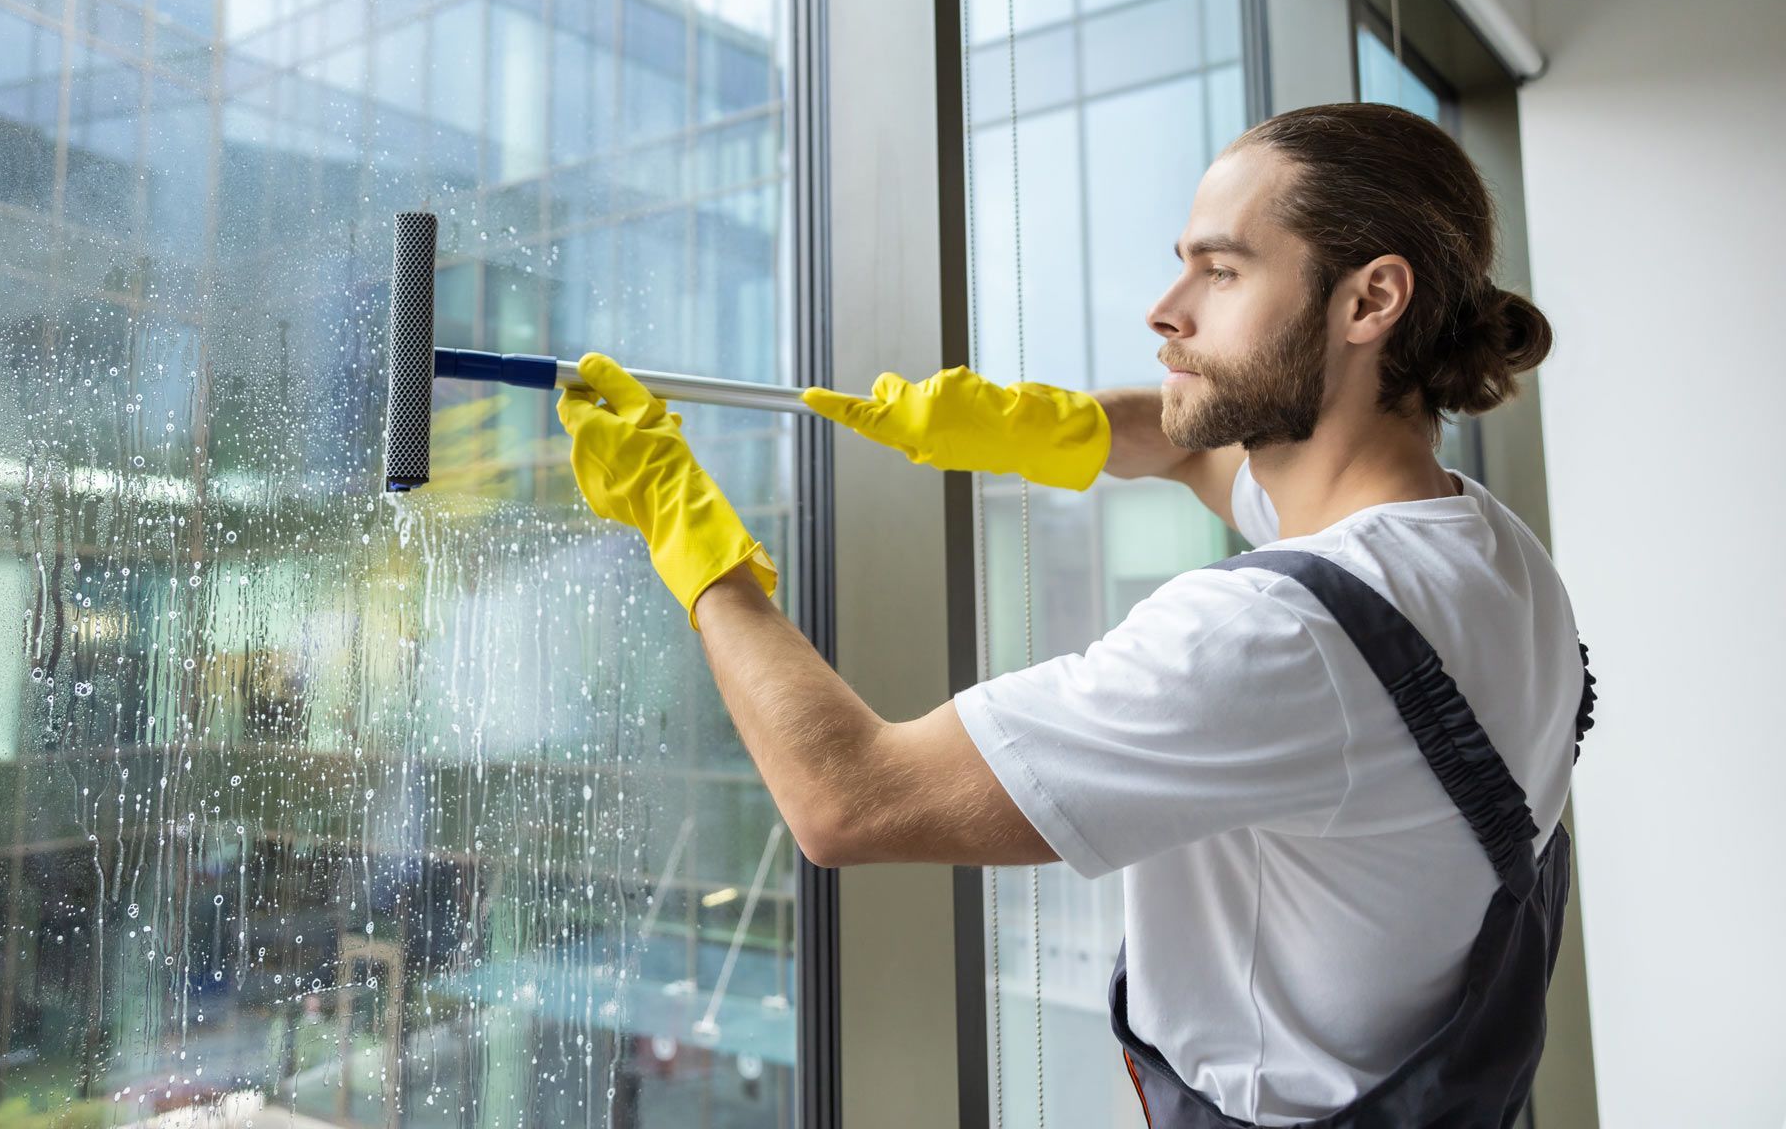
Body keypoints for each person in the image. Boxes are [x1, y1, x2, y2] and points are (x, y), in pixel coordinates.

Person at [556, 102, 1595, 1127]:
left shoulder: (1274, 634)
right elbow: (1196, 448)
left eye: (1222, 271)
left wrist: (689, 535)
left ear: (1370, 301)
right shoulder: (1494, 554)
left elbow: (847, 798)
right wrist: (1031, 428)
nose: (1166, 308)